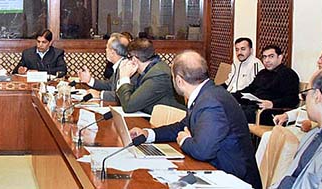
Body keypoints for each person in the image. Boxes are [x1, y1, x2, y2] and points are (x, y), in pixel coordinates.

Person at [129, 51, 262, 188]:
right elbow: (182, 127)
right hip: (216, 170)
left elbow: (203, 151)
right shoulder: (206, 93)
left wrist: (185, 140)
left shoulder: (211, 102)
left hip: (233, 179)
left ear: (179, 80)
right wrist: (148, 134)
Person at [232, 45, 299, 125]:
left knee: (234, 116)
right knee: (227, 109)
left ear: (280, 57)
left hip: (270, 112)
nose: (267, 60)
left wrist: (272, 103)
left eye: (271, 56)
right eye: (264, 57)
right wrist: (231, 96)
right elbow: (250, 89)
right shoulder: (262, 73)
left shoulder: (288, 74)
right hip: (252, 107)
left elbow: (293, 99)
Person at [115, 38, 185, 114]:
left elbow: (128, 106)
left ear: (134, 60)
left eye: (128, 58)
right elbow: (124, 99)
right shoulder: (145, 71)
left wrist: (124, 78)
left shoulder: (159, 76)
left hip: (168, 122)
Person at [78, 33, 130, 102]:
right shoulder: (120, 64)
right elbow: (110, 85)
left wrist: (100, 94)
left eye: (107, 47)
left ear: (112, 52)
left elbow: (123, 96)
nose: (105, 50)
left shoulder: (126, 67)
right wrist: (90, 80)